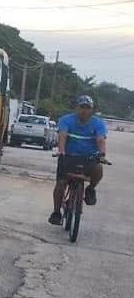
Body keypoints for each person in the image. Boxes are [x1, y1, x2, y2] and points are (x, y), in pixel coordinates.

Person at [48, 95, 107, 225]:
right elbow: (62, 135)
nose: (84, 111)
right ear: (76, 108)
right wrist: (61, 150)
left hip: (89, 158)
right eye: (82, 107)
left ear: (91, 110)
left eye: (87, 108)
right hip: (68, 157)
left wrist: (102, 154)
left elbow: (100, 139)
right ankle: (56, 212)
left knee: (99, 168)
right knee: (61, 183)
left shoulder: (98, 123)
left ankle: (90, 189)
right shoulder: (66, 120)